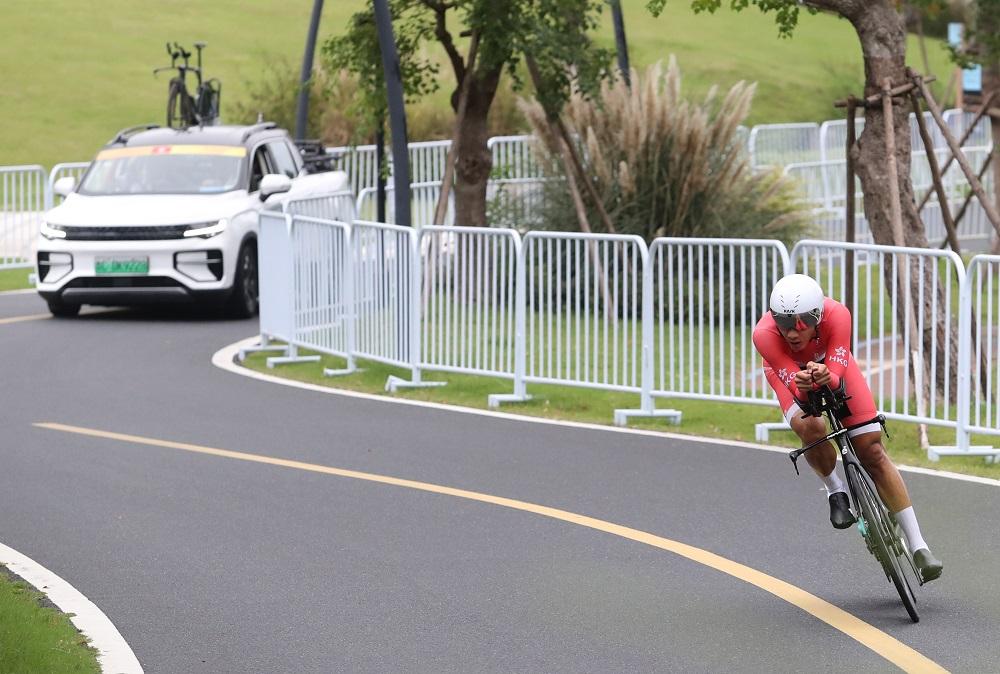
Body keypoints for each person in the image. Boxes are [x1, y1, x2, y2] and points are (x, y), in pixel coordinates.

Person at [752, 274, 943, 582]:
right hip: (788, 371)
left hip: (833, 365)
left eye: (801, 321)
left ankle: (920, 547)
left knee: (872, 449)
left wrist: (829, 376)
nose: (792, 331)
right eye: (784, 322)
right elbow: (800, 394)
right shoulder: (765, 335)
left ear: (817, 315)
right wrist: (804, 386)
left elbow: (838, 376)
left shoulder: (838, 314)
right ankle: (835, 490)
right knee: (811, 426)